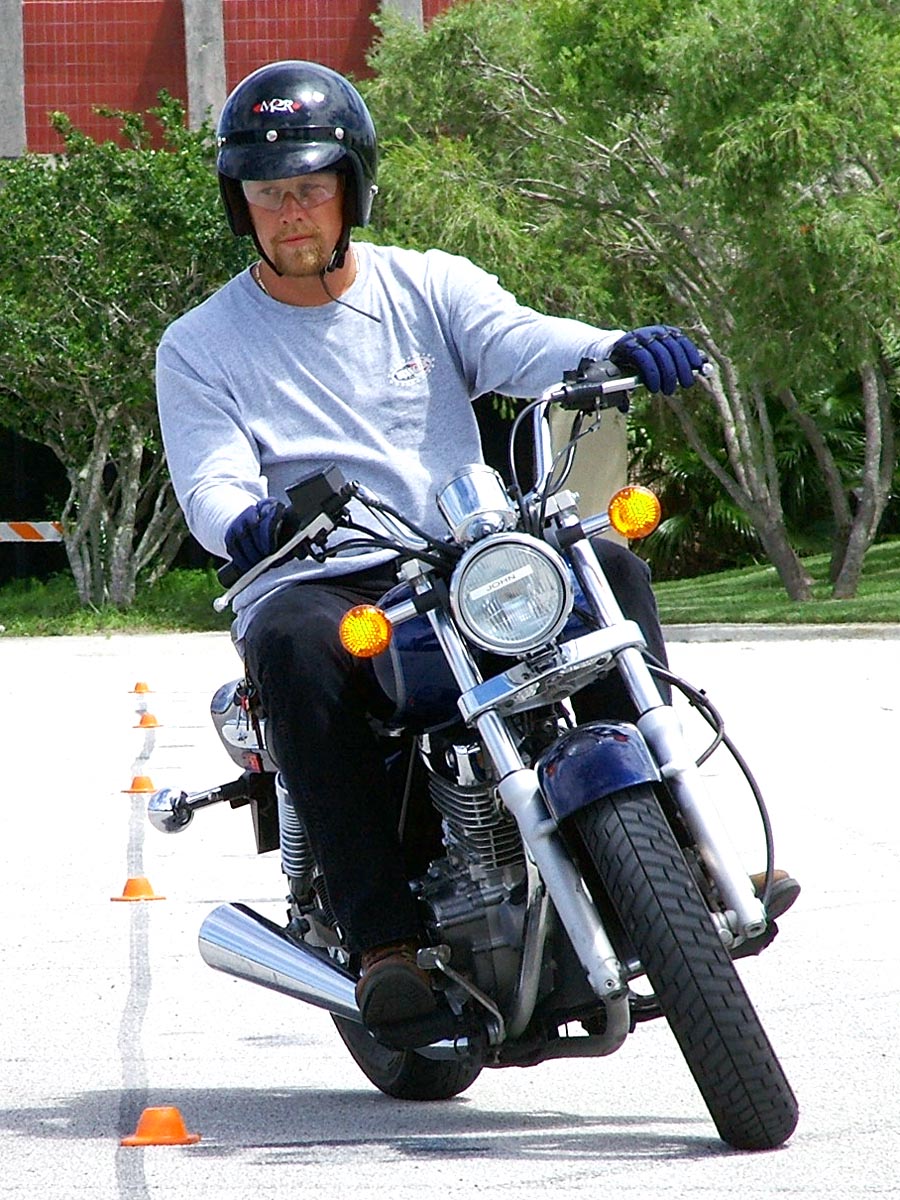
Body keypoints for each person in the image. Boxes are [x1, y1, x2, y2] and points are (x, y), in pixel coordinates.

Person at [156, 60, 797, 1041]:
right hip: (318, 570)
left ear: (351, 188)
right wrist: (245, 519)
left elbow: (524, 342)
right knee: (288, 642)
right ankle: (383, 940)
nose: (291, 211)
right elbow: (210, 479)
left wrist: (614, 349)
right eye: (267, 191)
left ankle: (679, 853)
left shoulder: (426, 285)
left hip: (459, 554)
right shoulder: (201, 344)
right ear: (239, 203)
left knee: (609, 568)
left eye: (311, 186)